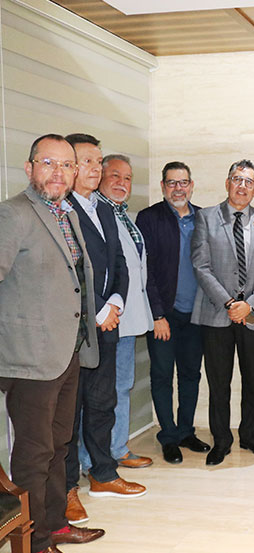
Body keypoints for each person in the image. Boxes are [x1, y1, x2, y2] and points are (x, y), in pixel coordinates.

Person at [0, 134, 105, 553]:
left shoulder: (67, 214)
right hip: (29, 358)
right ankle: (34, 542)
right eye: (48, 162)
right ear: (29, 168)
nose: (58, 172)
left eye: (66, 164)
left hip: (68, 351)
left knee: (60, 445)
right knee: (34, 452)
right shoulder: (13, 214)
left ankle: (56, 524)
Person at [64, 134, 145, 526]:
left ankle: (103, 474)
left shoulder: (105, 210)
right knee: (68, 414)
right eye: (88, 162)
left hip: (108, 324)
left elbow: (120, 264)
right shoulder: (60, 211)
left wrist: (114, 304)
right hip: (74, 330)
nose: (95, 169)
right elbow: (68, 272)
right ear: (69, 166)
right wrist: (97, 310)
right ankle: (66, 489)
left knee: (102, 403)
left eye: (98, 162)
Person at [191, 159, 254, 466]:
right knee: (219, 383)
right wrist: (230, 303)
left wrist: (249, 305)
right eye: (237, 179)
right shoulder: (206, 217)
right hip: (217, 313)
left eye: (249, 182)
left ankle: (250, 435)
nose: (243, 186)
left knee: (252, 379)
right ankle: (221, 441)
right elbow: (201, 266)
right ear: (227, 183)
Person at [136, 161, 210, 464]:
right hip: (164, 316)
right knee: (162, 375)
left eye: (183, 182)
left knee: (191, 375)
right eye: (171, 183)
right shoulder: (149, 218)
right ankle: (167, 436)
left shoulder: (204, 218)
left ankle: (185, 432)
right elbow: (146, 271)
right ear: (163, 186)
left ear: (191, 185)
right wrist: (157, 315)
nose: (178, 188)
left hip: (197, 315)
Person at [96, 154, 155, 469]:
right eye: (115, 176)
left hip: (128, 320)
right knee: (104, 392)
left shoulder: (121, 214)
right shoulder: (95, 213)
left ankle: (117, 448)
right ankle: (99, 457)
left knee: (121, 386)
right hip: (108, 320)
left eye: (128, 178)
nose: (122, 183)